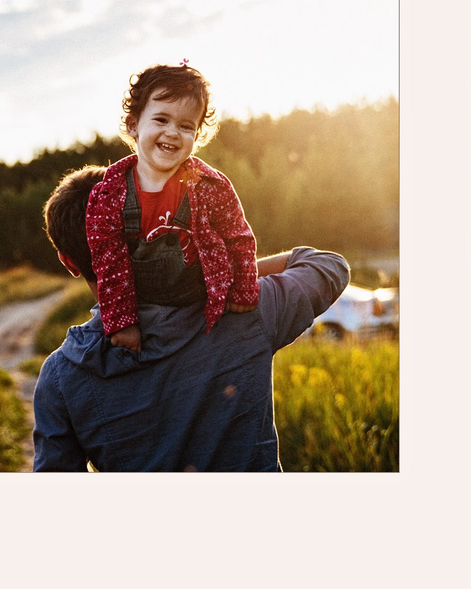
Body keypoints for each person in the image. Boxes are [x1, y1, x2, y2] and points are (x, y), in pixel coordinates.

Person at [33, 164, 349, 471]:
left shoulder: (61, 378)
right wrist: (218, 278)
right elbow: (328, 266)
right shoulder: (246, 312)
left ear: (69, 262)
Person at [84, 64, 261, 350]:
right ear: (133, 125)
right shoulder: (108, 195)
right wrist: (124, 323)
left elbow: (237, 239)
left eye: (186, 126)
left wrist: (242, 290)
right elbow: (110, 263)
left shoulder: (210, 186)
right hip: (143, 308)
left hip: (201, 302)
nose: (173, 133)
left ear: (198, 134)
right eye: (162, 119)